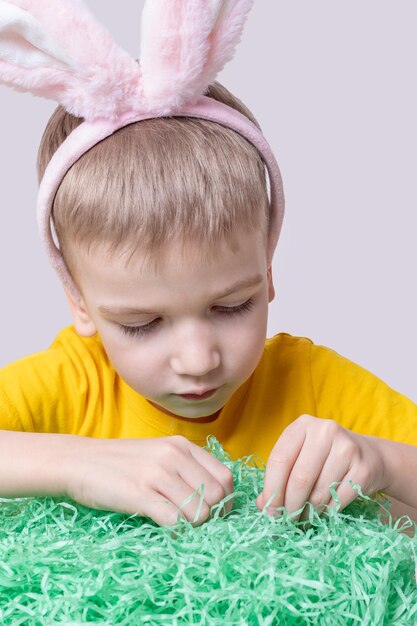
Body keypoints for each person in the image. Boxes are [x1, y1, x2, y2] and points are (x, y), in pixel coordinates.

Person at [0, 0, 416, 528]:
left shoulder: (310, 385)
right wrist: (75, 465)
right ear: (79, 301)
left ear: (267, 271)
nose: (198, 360)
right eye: (142, 324)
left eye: (231, 305)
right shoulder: (74, 386)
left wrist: (385, 462)